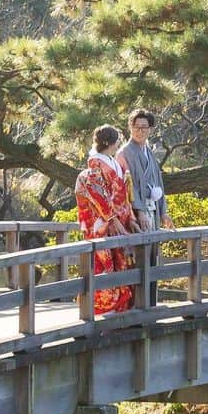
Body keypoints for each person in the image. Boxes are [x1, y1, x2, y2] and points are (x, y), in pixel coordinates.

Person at [74, 124, 137, 314]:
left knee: (122, 263)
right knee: (106, 262)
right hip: (105, 222)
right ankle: (103, 307)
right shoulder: (95, 165)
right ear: (109, 142)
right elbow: (98, 195)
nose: (119, 143)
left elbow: (123, 195)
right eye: (117, 139)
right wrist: (111, 218)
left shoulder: (112, 161)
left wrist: (130, 217)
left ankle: (121, 306)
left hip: (121, 218)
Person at [116, 107, 173, 233]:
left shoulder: (150, 152)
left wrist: (163, 212)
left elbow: (158, 182)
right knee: (140, 249)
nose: (139, 131)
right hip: (135, 212)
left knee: (153, 249)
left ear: (150, 129)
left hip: (153, 208)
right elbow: (129, 186)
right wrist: (140, 212)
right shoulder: (124, 153)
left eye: (144, 127)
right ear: (130, 128)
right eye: (136, 127)